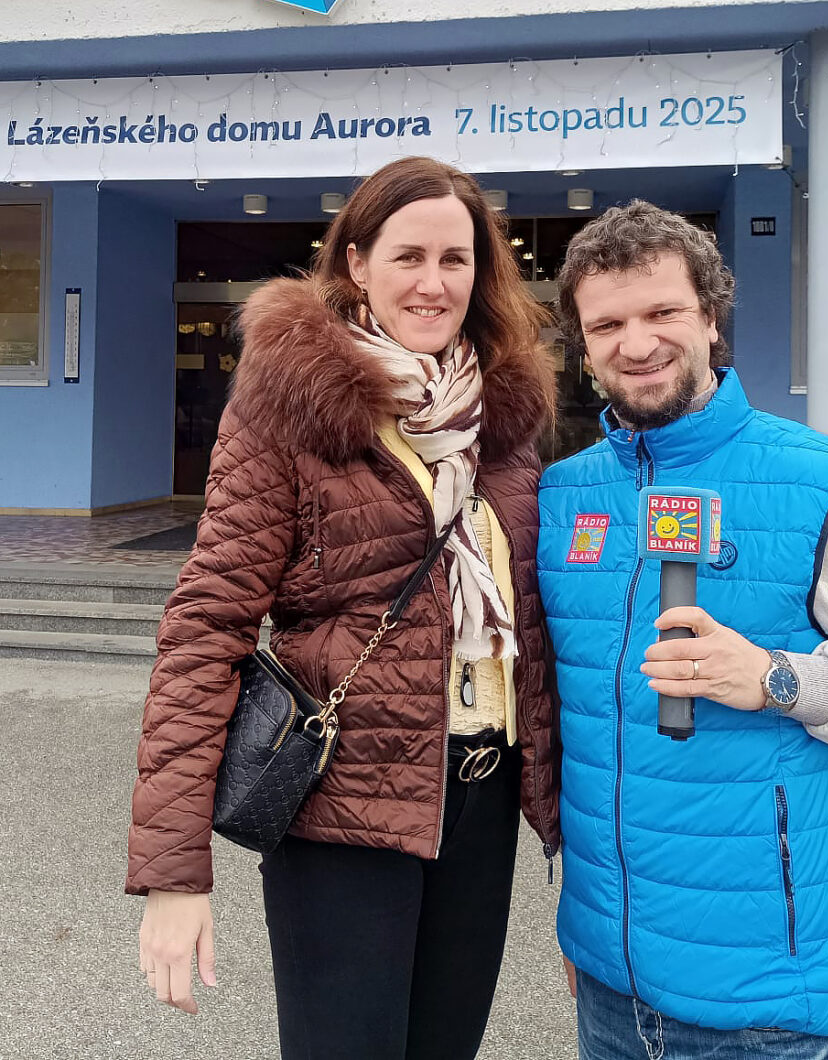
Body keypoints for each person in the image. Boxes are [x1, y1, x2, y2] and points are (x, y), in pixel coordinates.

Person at [126, 156, 561, 1060]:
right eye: (409, 257)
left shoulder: (505, 421)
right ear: (357, 263)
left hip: (480, 803)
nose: (433, 283)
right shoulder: (288, 409)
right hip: (343, 808)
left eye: (455, 259)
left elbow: (540, 629)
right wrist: (174, 873)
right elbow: (206, 626)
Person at [536, 200, 828, 1060]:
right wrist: (590, 929)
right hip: (610, 983)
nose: (637, 343)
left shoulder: (820, 484)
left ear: (712, 317)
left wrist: (781, 679)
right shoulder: (563, 498)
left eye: (663, 311)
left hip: (772, 1008)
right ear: (584, 347)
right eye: (608, 324)